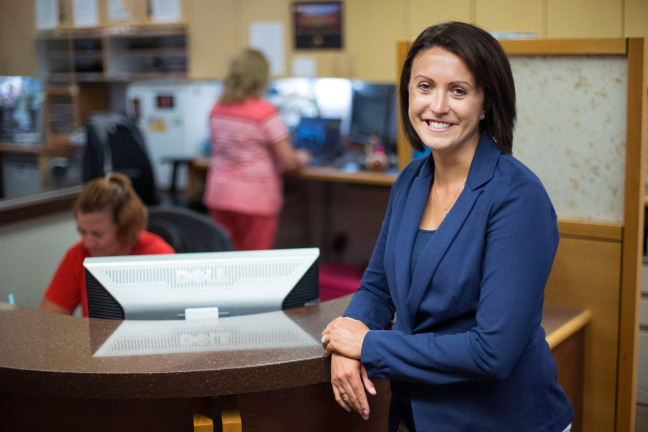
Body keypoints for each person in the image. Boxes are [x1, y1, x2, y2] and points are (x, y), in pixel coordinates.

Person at [320, 21, 574, 432]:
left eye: (458, 91)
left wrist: (368, 344)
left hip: (501, 420)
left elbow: (492, 351)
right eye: (424, 86)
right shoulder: (410, 181)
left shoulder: (517, 197)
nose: (437, 106)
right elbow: (378, 287)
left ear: (486, 102)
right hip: (420, 415)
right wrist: (348, 337)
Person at [203, 49, 311, 251]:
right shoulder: (264, 112)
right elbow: (288, 163)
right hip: (255, 199)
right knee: (254, 266)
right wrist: (303, 157)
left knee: (225, 260)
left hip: (220, 196)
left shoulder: (217, 108)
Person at [39, 172, 174, 317]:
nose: (88, 242)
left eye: (98, 234)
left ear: (126, 227)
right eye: (82, 232)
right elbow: (49, 320)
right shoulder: (78, 254)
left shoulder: (158, 257)